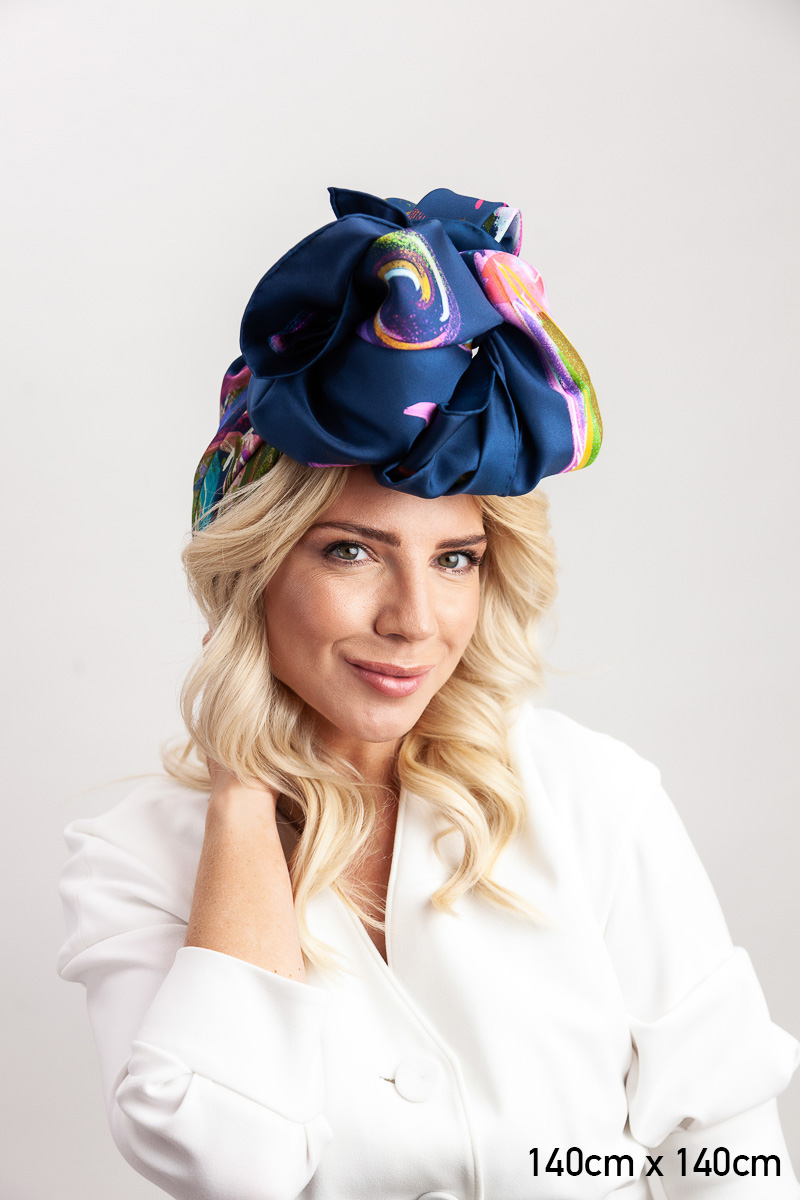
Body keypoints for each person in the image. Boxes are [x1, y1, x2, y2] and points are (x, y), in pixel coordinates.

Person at [57, 186, 799, 1200]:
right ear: (254, 563)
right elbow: (229, 1164)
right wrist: (241, 798)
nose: (414, 619)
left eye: (455, 559)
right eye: (352, 551)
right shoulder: (137, 861)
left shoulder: (592, 797)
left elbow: (726, 1148)